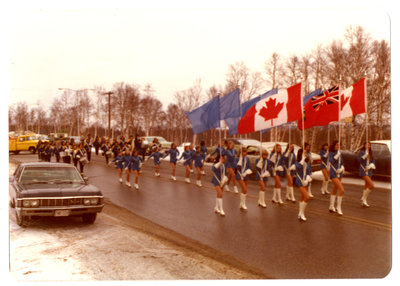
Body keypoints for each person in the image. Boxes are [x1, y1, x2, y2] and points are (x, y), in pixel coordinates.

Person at [294, 148, 312, 221]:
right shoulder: (297, 161)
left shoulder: (307, 163)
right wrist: (302, 160)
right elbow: (298, 167)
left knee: (302, 197)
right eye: (304, 153)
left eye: (306, 153)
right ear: (300, 154)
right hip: (300, 181)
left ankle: (300, 213)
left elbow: (308, 172)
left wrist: (308, 178)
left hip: (305, 181)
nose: (306, 154)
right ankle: (302, 213)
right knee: (307, 197)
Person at [328, 140, 345, 215]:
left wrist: (342, 168)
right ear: (334, 146)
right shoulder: (331, 153)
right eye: (336, 145)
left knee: (335, 189)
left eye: (339, 145)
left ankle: (331, 206)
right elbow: (331, 161)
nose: (338, 146)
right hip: (333, 173)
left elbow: (342, 163)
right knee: (342, 190)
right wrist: (336, 156)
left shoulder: (339, 153)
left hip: (339, 173)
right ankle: (338, 207)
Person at [358, 142, 376, 207]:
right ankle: (364, 198)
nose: (368, 146)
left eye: (369, 145)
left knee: (366, 185)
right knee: (371, 185)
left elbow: (373, 160)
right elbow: (359, 160)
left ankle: (363, 201)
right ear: (364, 145)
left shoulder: (371, 153)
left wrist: (372, 164)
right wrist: (364, 156)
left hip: (369, 171)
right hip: (363, 170)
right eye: (366, 145)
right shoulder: (362, 152)